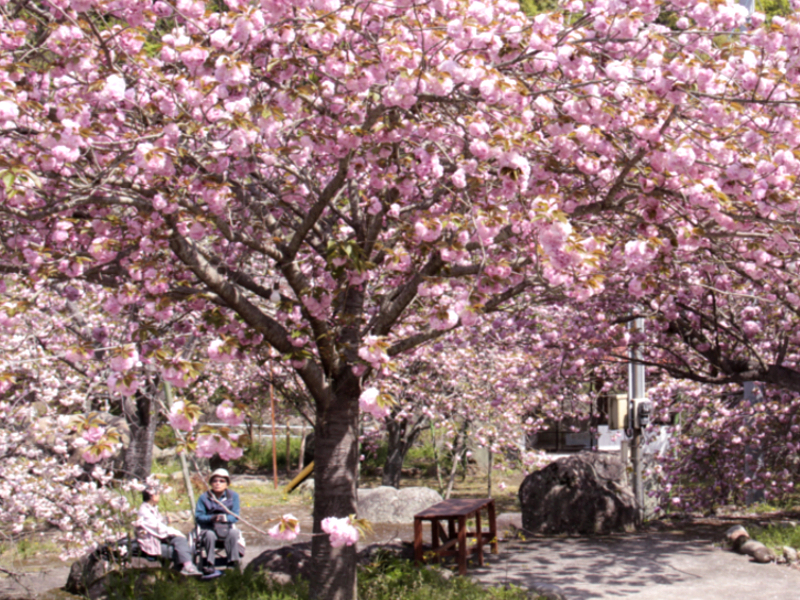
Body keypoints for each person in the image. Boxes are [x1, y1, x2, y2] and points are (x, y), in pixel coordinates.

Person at [136, 489, 201, 576]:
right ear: (152, 496)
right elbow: (158, 528)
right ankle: (184, 569)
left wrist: (165, 520)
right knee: (177, 551)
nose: (159, 496)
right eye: (158, 494)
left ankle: (187, 567)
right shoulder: (144, 511)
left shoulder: (153, 508)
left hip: (160, 539)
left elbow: (158, 523)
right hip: (151, 544)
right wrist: (175, 532)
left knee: (180, 540)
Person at [195, 468, 244, 573]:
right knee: (209, 535)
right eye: (215, 481)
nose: (218, 483)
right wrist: (211, 518)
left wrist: (224, 518)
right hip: (209, 528)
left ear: (227, 484)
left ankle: (232, 563)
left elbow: (235, 516)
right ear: (211, 483)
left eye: (222, 481)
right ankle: (210, 564)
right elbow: (198, 516)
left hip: (226, 528)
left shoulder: (233, 496)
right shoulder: (204, 497)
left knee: (234, 533)